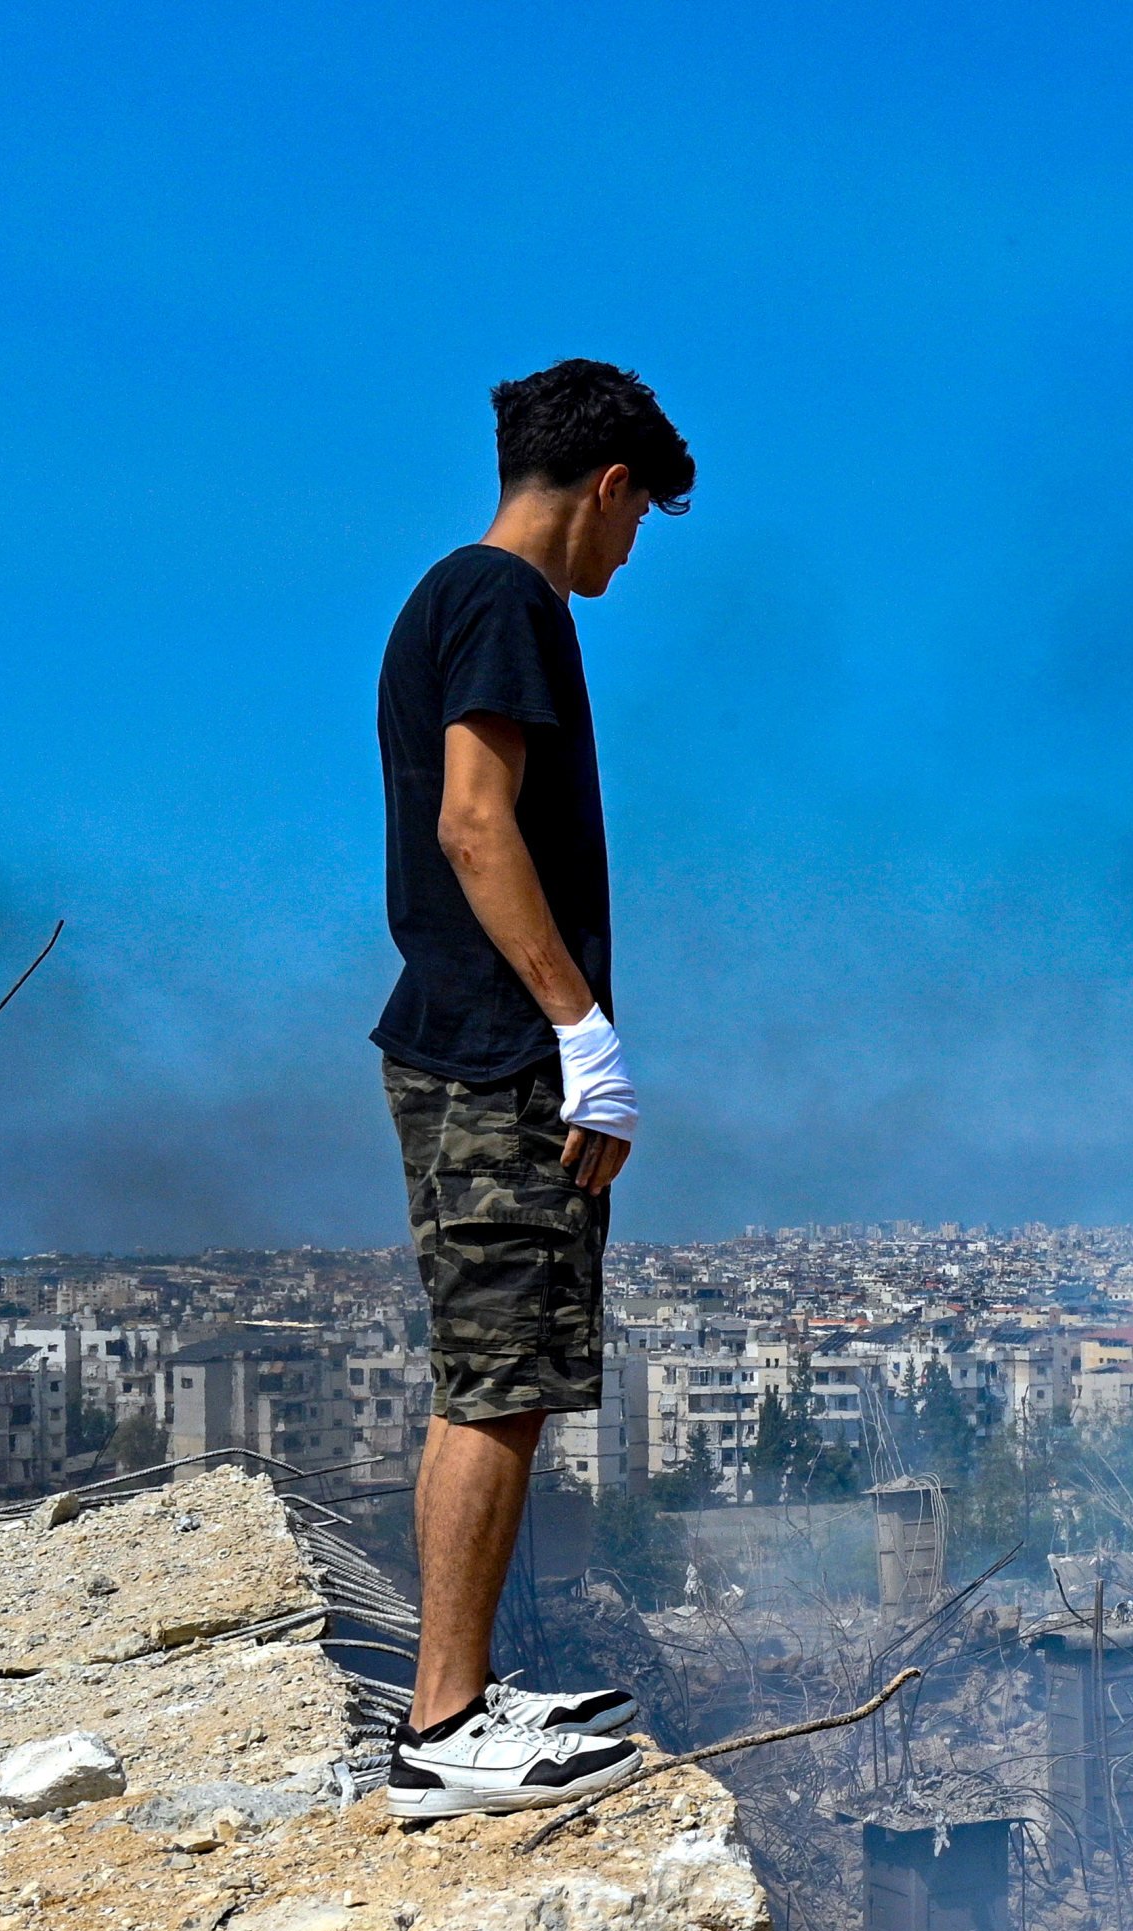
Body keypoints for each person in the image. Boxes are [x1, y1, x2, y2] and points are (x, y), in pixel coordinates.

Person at [370, 359, 692, 1817]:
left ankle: (462, 1695)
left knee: (492, 1378)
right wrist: (583, 1032)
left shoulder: (450, 596)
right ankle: (443, 1729)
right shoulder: (505, 600)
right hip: (497, 1051)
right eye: (640, 522)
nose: (632, 554)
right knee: (498, 1385)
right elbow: (473, 823)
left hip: (474, 1043)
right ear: (608, 487)